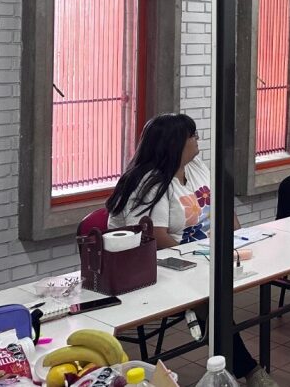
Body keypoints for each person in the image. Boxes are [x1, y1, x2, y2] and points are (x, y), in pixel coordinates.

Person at [107, 114, 278, 387]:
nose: (198, 140)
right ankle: (250, 371)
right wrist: (199, 259)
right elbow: (155, 238)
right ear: (175, 143)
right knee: (213, 302)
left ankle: (233, 362)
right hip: (163, 267)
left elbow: (222, 207)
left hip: (204, 257)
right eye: (192, 136)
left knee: (230, 286)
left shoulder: (195, 167)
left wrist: (238, 237)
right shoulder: (149, 184)